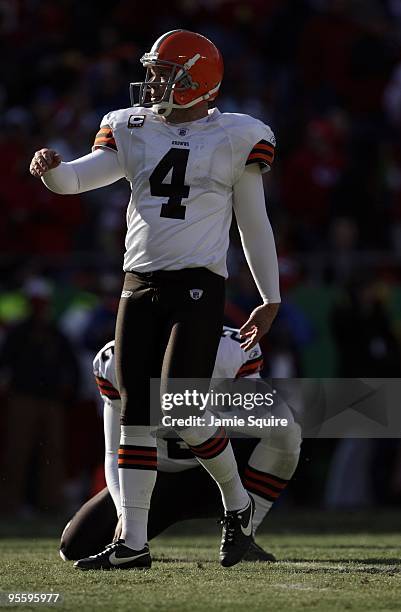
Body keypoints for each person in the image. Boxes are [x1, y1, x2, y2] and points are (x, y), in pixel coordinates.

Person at [29, 30, 281, 569]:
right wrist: (52, 172)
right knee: (136, 417)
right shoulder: (132, 127)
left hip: (198, 284)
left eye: (169, 73)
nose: (156, 81)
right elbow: (78, 180)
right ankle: (133, 544)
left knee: (183, 410)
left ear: (200, 82)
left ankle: (236, 506)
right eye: (156, 70)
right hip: (138, 283)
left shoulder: (238, 135)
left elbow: (252, 223)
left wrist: (269, 295)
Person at [60, 328, 301, 563]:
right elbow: (113, 452)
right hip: (152, 481)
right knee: (73, 547)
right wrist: (124, 513)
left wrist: (202, 419)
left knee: (290, 434)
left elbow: (278, 423)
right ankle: (133, 538)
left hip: (216, 475)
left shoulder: (232, 349)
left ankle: (246, 530)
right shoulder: (114, 360)